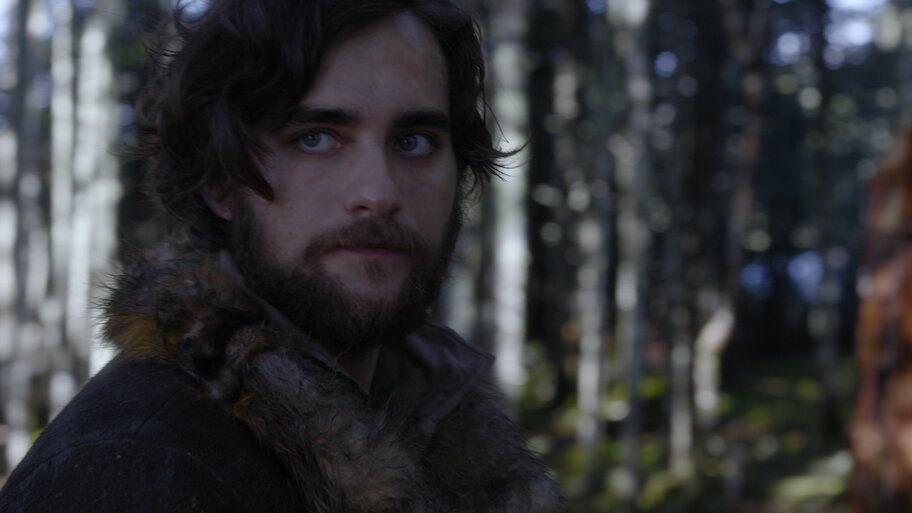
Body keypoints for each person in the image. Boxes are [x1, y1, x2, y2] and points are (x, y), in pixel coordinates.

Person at [0, 0, 562, 511]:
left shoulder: (436, 423)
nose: (380, 192)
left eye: (413, 141)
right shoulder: (135, 470)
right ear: (220, 182)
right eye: (315, 137)